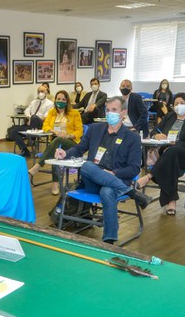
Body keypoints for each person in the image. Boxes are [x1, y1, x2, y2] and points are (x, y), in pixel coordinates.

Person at [54, 96, 150, 244]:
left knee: (107, 191)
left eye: (114, 110)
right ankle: (131, 192)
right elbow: (80, 149)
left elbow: (134, 168)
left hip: (116, 181)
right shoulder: (95, 129)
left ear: (123, 113)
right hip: (92, 181)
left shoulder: (132, 138)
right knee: (87, 166)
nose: (109, 113)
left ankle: (109, 239)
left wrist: (113, 173)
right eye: (108, 109)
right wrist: (65, 153)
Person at [137, 93, 185, 215]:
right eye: (176, 103)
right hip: (169, 155)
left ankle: (149, 176)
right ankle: (171, 201)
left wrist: (175, 144)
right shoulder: (170, 116)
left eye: (182, 103)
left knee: (171, 152)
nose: (179, 106)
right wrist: (156, 135)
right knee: (170, 162)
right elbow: (154, 130)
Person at [28, 90, 84, 195]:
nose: (60, 101)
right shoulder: (52, 112)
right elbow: (45, 126)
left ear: (67, 101)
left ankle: (38, 165)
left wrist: (67, 135)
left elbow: (79, 131)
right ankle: (55, 184)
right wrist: (55, 132)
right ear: (55, 100)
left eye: (63, 99)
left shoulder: (74, 113)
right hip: (56, 142)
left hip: (72, 143)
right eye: (58, 99)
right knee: (56, 149)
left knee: (57, 142)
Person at [7, 85, 53, 157]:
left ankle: (32, 138)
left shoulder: (50, 104)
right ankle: (25, 150)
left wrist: (32, 118)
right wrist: (29, 117)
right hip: (30, 125)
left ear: (46, 91)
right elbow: (26, 111)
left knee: (35, 117)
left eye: (42, 91)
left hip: (41, 125)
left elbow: (45, 117)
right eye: (38, 92)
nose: (40, 93)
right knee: (12, 131)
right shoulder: (34, 102)